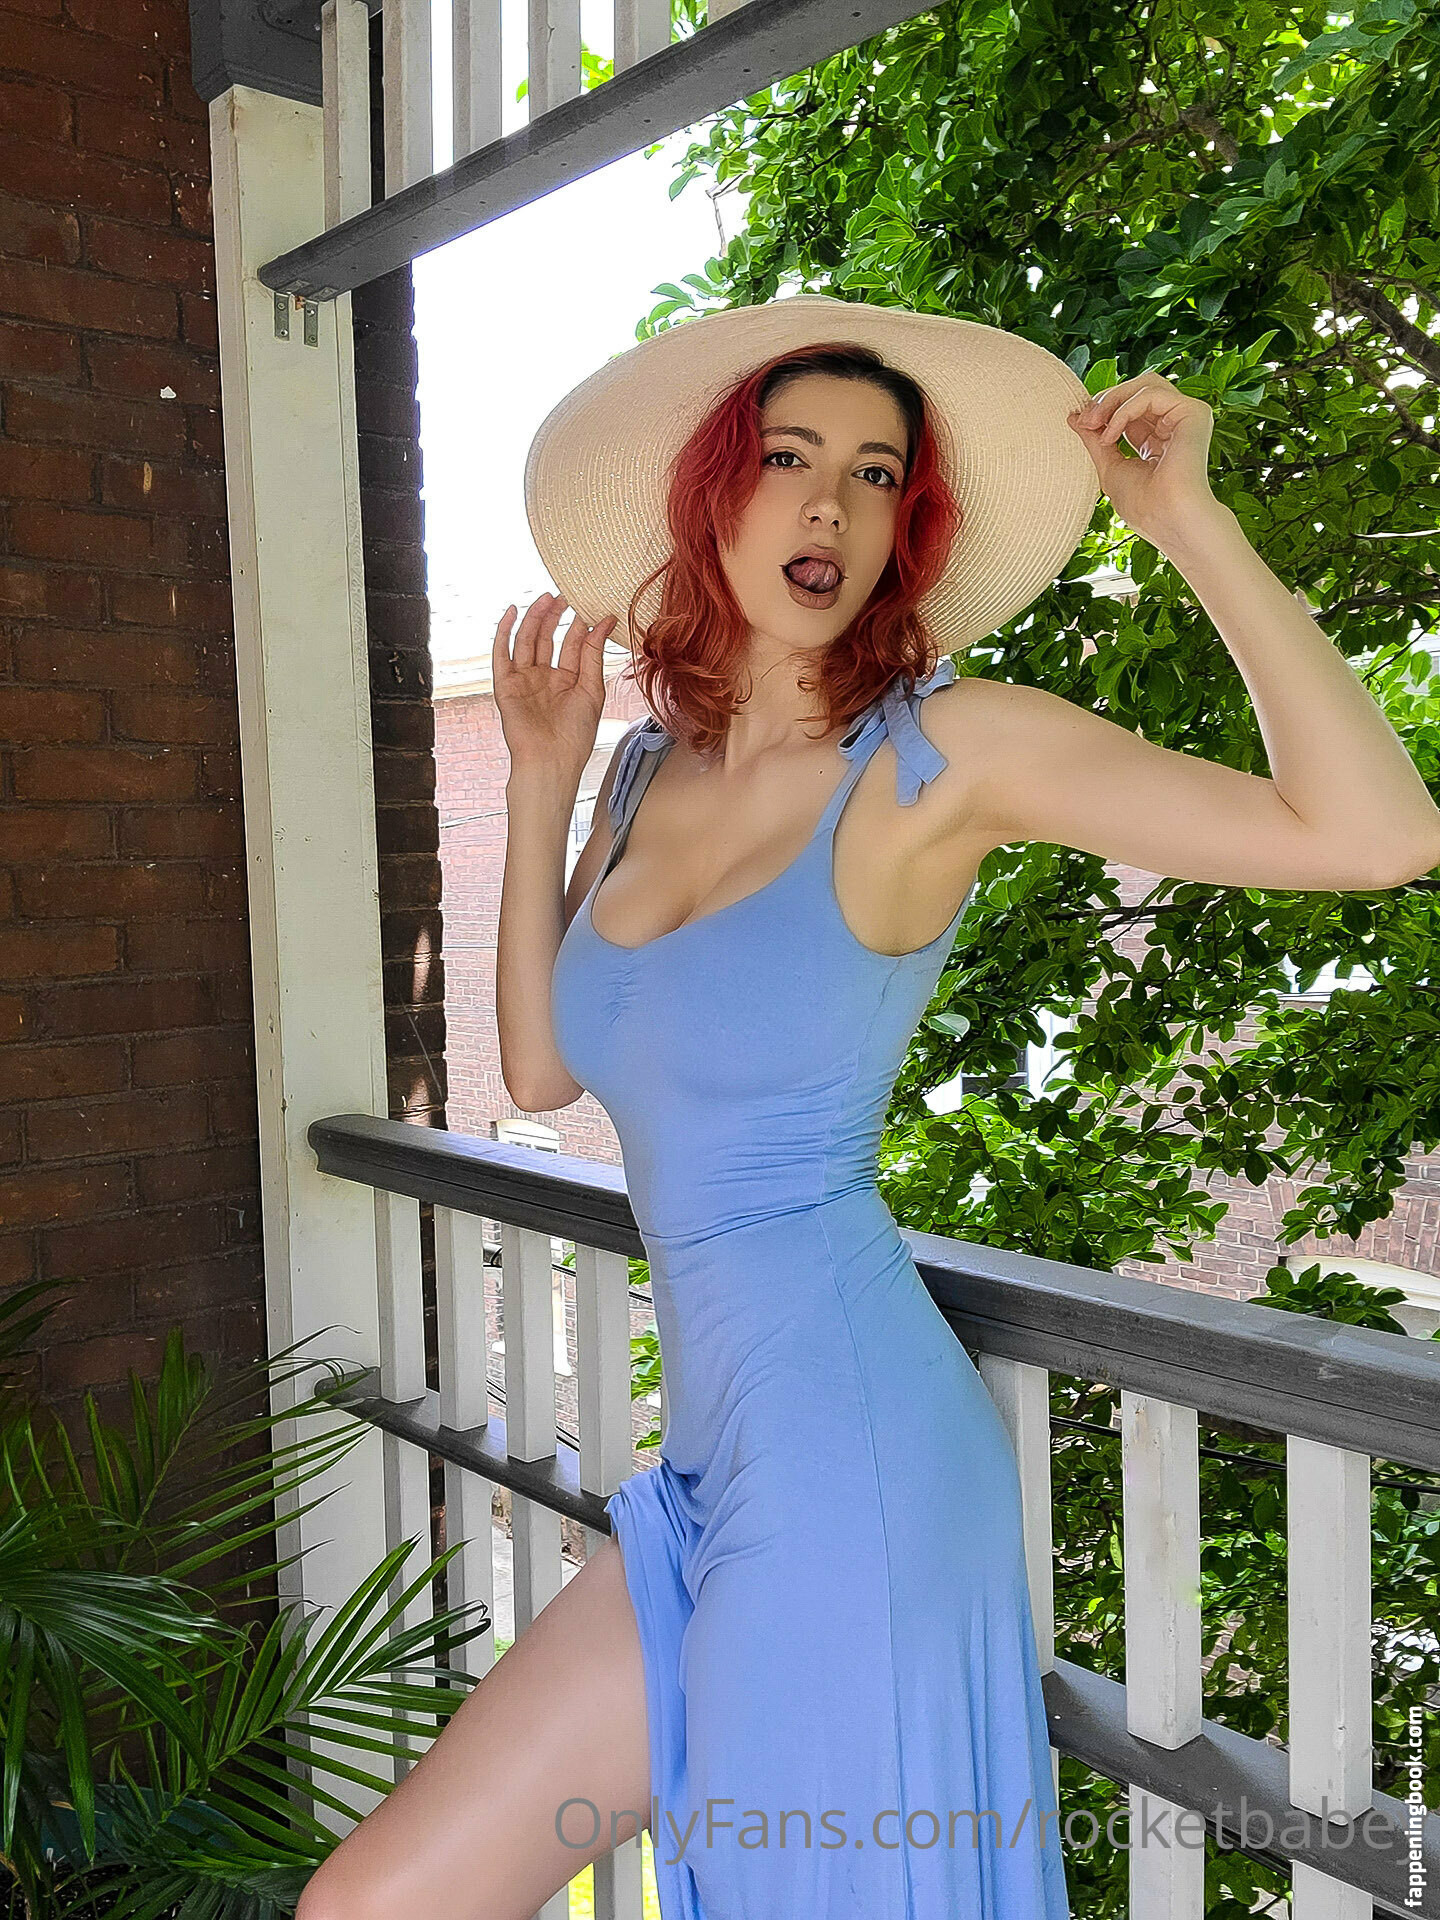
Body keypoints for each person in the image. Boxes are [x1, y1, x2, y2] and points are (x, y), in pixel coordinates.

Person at [297, 295, 1440, 1920]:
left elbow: (1377, 835)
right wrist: (544, 778)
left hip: (852, 1468)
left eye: (877, 473)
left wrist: (1190, 523)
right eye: (788, 458)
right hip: (709, 1474)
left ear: (909, 529)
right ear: (715, 498)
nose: (829, 503)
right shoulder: (645, 768)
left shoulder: (944, 754)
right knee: (371, 1903)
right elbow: (543, 1072)